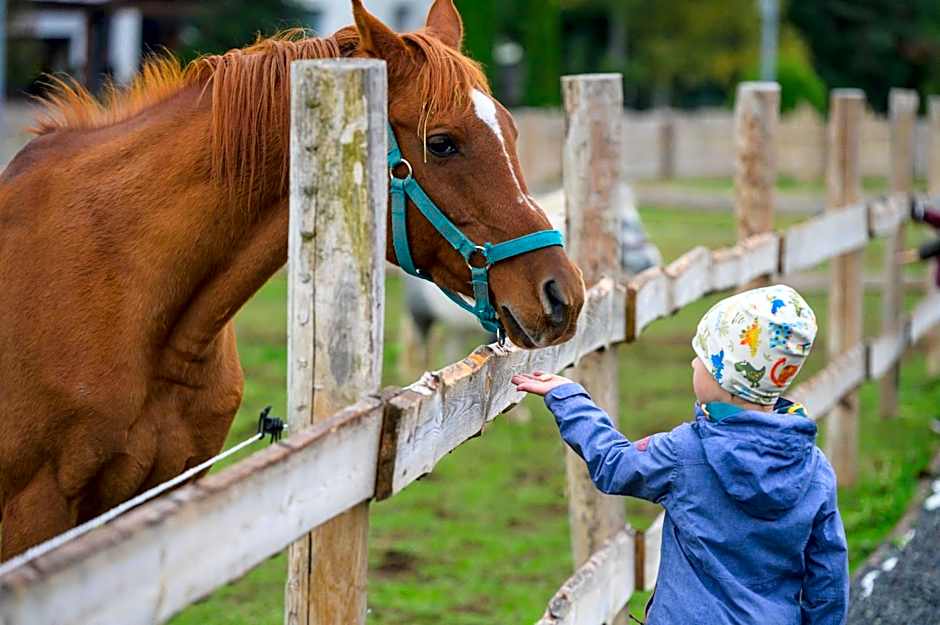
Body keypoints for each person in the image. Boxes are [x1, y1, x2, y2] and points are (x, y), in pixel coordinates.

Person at [512, 285, 848, 625]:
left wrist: (569, 398)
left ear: (725, 380)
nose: (692, 362)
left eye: (702, 357)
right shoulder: (814, 469)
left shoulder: (685, 452)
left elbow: (614, 464)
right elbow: (828, 579)